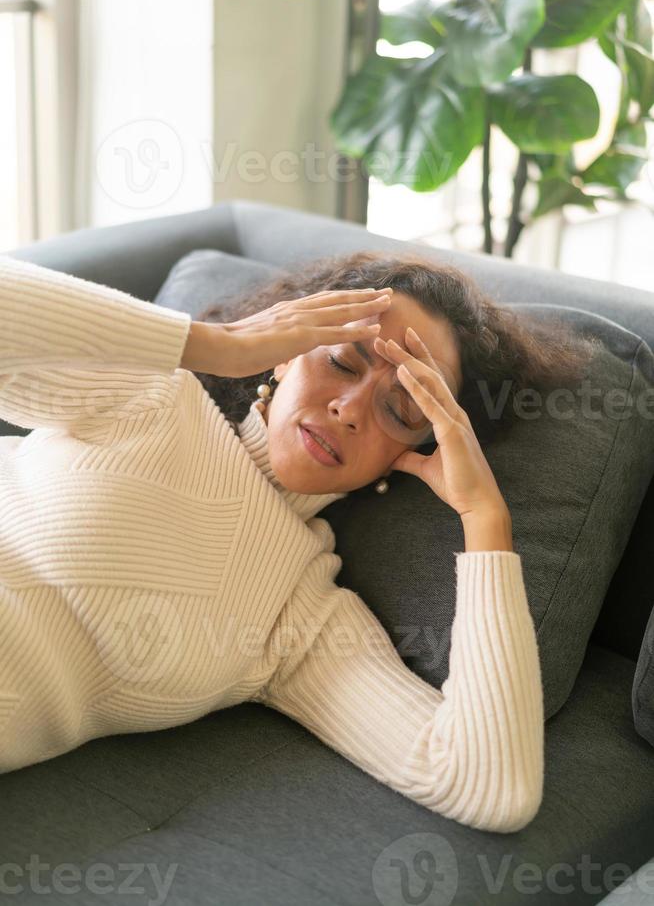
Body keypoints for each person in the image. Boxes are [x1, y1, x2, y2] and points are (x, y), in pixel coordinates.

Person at [0, 248, 595, 833]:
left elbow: (489, 786)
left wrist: (485, 517)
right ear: (284, 355)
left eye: (403, 409)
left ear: (418, 449)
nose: (349, 408)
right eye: (340, 361)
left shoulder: (300, 617)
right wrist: (217, 344)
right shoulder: (151, 398)